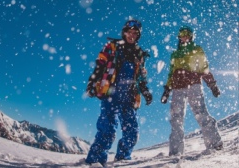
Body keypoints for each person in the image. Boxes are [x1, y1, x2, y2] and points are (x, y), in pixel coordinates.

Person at [85, 19, 153, 167]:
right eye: (129, 32)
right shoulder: (112, 47)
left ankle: (122, 159)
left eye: (135, 33)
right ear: (124, 32)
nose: (132, 35)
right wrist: (92, 81)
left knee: (132, 132)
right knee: (107, 129)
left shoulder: (139, 54)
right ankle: (95, 161)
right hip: (111, 93)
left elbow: (141, 77)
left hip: (129, 96)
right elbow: (100, 64)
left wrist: (145, 91)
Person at [161, 25, 223, 156]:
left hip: (193, 85)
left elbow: (204, 68)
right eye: (182, 34)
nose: (184, 37)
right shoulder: (175, 54)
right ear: (179, 37)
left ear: (191, 36)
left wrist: (212, 85)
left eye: (187, 34)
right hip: (178, 87)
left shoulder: (196, 49)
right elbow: (171, 73)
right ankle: (175, 150)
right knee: (176, 118)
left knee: (200, 112)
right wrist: (167, 90)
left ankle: (215, 143)